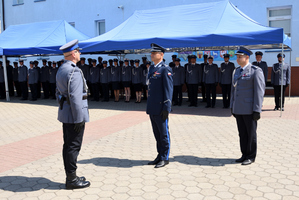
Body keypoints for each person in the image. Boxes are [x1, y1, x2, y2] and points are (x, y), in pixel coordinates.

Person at [56, 39, 90, 189]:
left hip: (66, 113)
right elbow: (76, 98)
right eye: (78, 51)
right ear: (73, 53)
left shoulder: (62, 68)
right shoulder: (74, 70)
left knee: (68, 145)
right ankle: (72, 179)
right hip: (74, 115)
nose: (80, 53)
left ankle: (71, 175)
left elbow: (58, 93)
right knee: (73, 147)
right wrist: (78, 119)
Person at [231, 46, 265, 166]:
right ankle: (244, 154)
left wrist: (257, 109)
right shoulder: (237, 71)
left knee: (251, 134)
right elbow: (233, 90)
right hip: (239, 108)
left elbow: (259, 92)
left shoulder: (255, 71)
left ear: (247, 57)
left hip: (249, 109)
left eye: (240, 57)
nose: (238, 59)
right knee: (242, 133)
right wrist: (232, 106)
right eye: (237, 57)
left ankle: (251, 156)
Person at [147, 43, 173, 168]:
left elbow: (168, 90)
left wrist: (167, 107)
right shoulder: (152, 68)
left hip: (161, 107)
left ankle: (165, 157)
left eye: (154, 53)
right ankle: (159, 155)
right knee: (156, 133)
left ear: (161, 55)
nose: (151, 55)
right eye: (151, 53)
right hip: (152, 107)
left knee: (163, 134)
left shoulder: (165, 69)